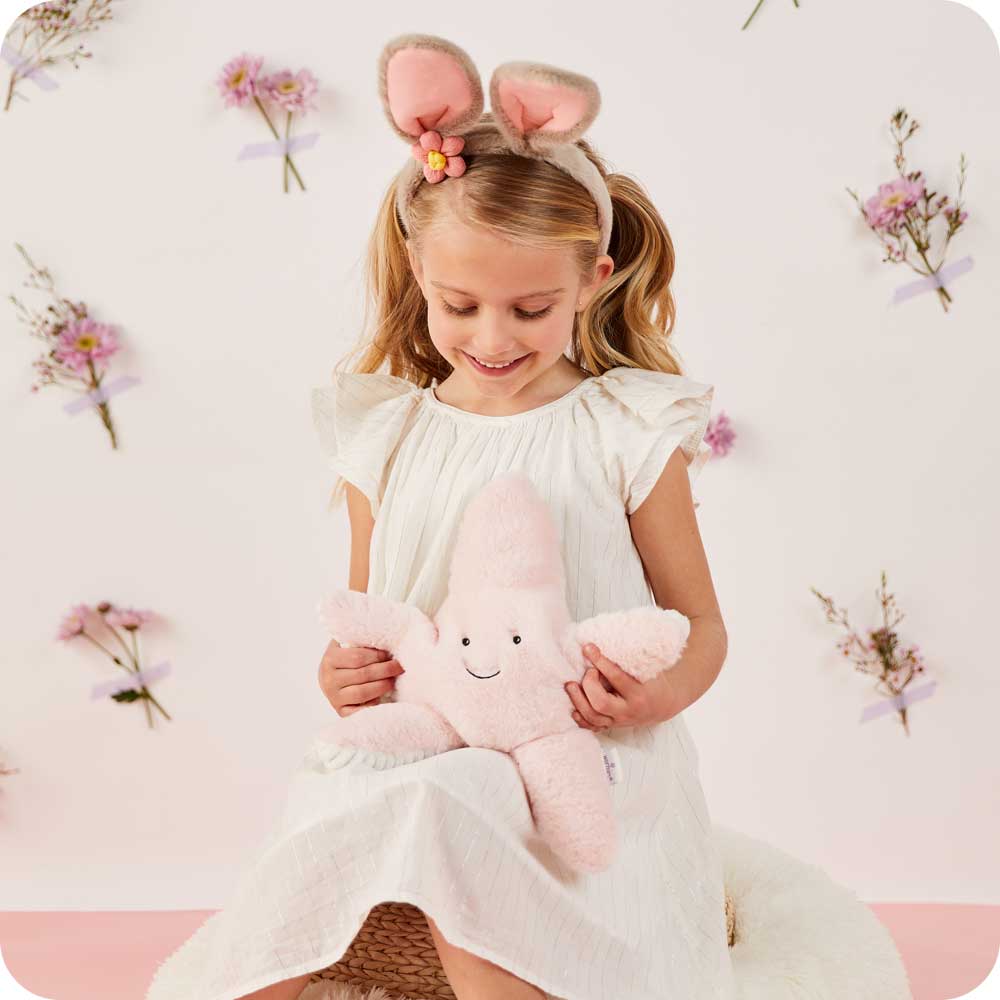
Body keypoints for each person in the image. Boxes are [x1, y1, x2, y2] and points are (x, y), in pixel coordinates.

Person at [145, 32, 736, 1000]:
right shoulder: (388, 434)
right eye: (460, 305)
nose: (492, 337)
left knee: (457, 795)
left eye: (531, 309)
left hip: (579, 756)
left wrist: (658, 695)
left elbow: (701, 622)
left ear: (593, 280)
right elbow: (373, 619)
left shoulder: (624, 432)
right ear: (418, 270)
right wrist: (344, 675)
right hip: (426, 731)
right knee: (364, 824)